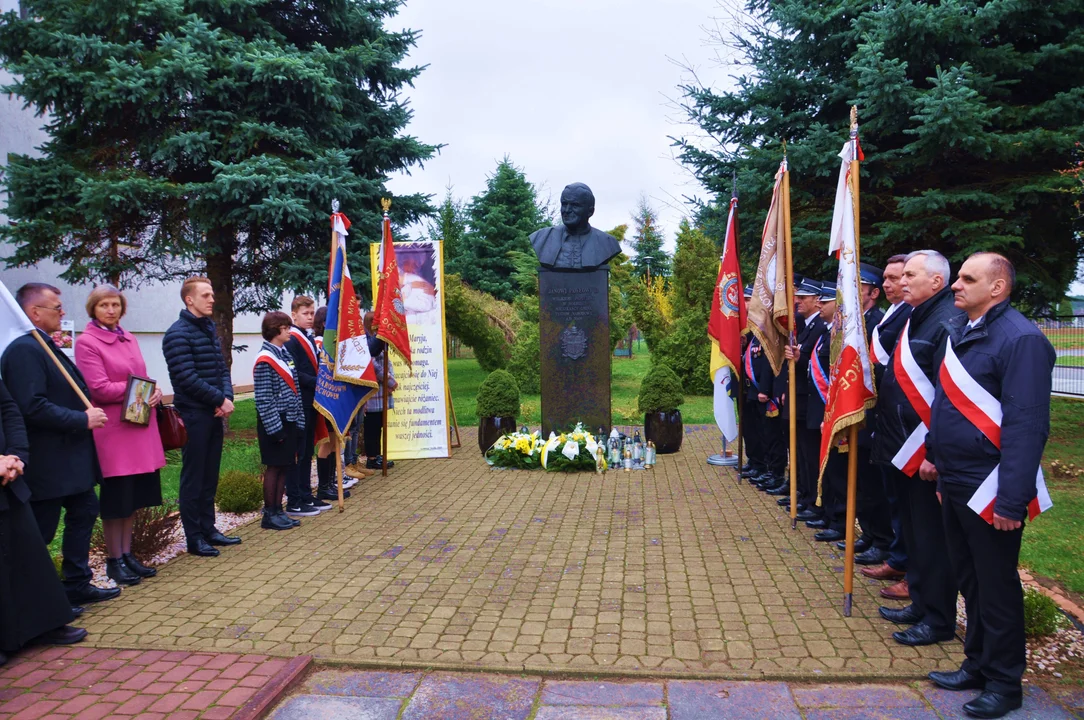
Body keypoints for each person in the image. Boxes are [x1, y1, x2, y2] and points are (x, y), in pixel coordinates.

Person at [925, 253, 1055, 719]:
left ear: (997, 288)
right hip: (957, 481)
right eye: (957, 277)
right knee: (971, 581)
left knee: (996, 587)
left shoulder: (1020, 340)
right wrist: (938, 463)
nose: (955, 286)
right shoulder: (962, 331)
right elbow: (946, 406)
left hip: (992, 487)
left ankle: (1004, 682)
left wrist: (1011, 499)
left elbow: (1027, 426)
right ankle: (977, 664)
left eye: (967, 279)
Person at [1, 283, 118, 610]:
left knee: (84, 511)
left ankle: (76, 583)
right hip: (48, 460)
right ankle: (33, 600)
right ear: (34, 312)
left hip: (71, 459)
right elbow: (31, 406)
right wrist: (81, 420)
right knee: (42, 530)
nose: (63, 312)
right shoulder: (24, 350)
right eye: (56, 307)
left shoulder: (44, 344)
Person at [872, 250, 963, 646]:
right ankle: (921, 602)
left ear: (936, 282)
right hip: (900, 445)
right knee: (913, 532)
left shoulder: (945, 323)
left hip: (921, 449)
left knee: (930, 538)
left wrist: (931, 451)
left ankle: (938, 619)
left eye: (911, 275)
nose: (902, 281)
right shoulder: (914, 315)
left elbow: (947, 396)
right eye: (902, 274)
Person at [75, 285, 166, 586]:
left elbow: (142, 377)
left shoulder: (128, 337)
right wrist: (141, 389)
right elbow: (98, 388)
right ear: (93, 309)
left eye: (115, 304)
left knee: (132, 498)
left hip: (139, 427)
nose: (111, 310)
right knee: (116, 500)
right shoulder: (87, 342)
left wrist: (152, 390)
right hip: (115, 433)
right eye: (104, 305)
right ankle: (114, 560)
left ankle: (128, 555)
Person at [0, 375, 87, 665]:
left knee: (26, 552)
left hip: (8, 476)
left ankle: (40, 625)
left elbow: (8, 408)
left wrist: (16, 455)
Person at [163, 277, 240, 557]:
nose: (211, 299)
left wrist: (226, 397)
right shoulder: (177, 334)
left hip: (213, 413)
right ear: (189, 300)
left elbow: (221, 368)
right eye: (205, 295)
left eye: (211, 294)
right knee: (193, 478)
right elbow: (185, 377)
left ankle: (209, 529)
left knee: (210, 475)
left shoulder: (208, 328)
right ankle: (194, 537)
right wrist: (218, 398)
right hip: (193, 415)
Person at [862, 255, 913, 598]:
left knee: (909, 505)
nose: (896, 283)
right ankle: (897, 557)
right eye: (892, 277)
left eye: (901, 277)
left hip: (907, 426)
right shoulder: (895, 315)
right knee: (895, 497)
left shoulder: (912, 315)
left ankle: (909, 566)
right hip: (885, 418)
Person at [848, 263, 895, 566]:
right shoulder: (854, 322)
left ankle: (882, 539)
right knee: (862, 478)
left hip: (876, 413)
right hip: (858, 410)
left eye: (859, 285)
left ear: (873, 293)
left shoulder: (878, 323)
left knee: (876, 483)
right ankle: (869, 532)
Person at [781, 278, 829, 515]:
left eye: (803, 297)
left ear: (817, 300)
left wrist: (800, 359)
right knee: (801, 451)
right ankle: (804, 493)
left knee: (810, 453)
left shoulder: (820, 327)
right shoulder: (809, 326)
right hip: (800, 397)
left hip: (810, 400)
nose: (797, 301)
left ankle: (812, 499)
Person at [254, 312, 306, 531]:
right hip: (275, 423)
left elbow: (296, 391)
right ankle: (270, 513)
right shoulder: (266, 359)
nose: (289, 332)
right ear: (276, 330)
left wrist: (300, 422)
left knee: (285, 466)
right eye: (286, 328)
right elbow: (264, 399)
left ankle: (279, 510)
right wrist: (276, 430)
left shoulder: (285, 354)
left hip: (290, 419)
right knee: (274, 468)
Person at [283, 296, 330, 517]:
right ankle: (296, 497)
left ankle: (305, 492)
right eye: (305, 313)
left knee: (307, 450)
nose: (310, 317)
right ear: (294, 315)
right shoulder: (292, 339)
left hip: (311, 401)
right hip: (300, 401)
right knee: (299, 452)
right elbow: (295, 373)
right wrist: (318, 381)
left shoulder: (308, 338)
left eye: (312, 313)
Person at [530, 183, 623, 271]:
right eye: (564, 204)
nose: (567, 210)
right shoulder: (542, 238)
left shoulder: (607, 243)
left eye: (575, 205)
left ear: (590, 212)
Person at [363, 311, 396, 470]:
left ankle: (376, 454)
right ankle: (372, 457)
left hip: (382, 391)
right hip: (374, 392)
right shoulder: (369, 342)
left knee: (378, 426)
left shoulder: (378, 340)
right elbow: (373, 366)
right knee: (373, 426)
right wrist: (389, 381)